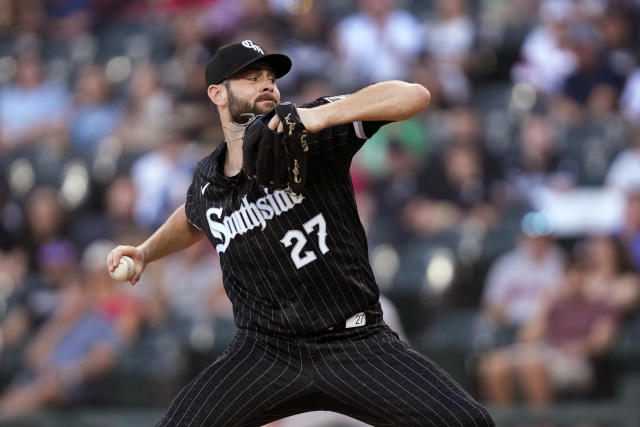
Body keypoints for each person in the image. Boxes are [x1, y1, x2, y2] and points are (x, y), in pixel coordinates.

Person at [107, 40, 494, 426]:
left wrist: (324, 116)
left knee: (469, 422)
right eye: (251, 77)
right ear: (217, 93)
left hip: (354, 342)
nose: (267, 85)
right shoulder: (208, 176)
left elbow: (414, 96)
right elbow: (195, 215)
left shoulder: (306, 132)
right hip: (264, 352)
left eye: (271, 78)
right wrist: (145, 251)